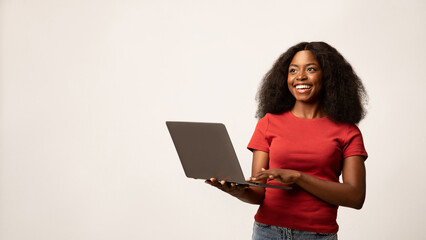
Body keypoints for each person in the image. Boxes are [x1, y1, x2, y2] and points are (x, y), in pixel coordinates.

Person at [205, 41, 368, 240]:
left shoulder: (347, 131)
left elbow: (355, 196)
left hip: (317, 235)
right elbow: (258, 193)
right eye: (293, 70)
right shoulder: (268, 123)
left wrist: (298, 177)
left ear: (328, 76)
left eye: (311, 69)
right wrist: (236, 190)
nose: (300, 76)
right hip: (267, 232)